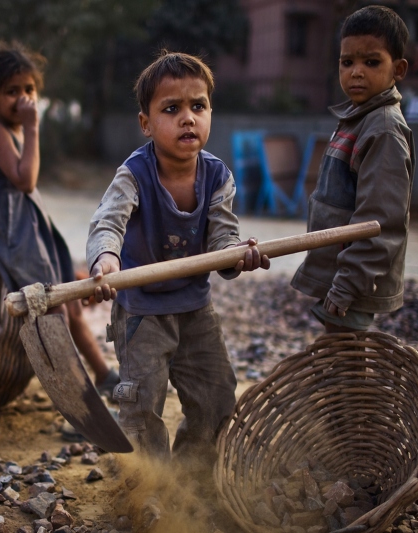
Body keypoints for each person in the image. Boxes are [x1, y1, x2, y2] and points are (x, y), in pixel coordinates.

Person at [86, 51, 269, 470]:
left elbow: (223, 236)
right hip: (142, 313)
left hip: (194, 308)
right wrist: (106, 259)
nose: (188, 118)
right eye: (172, 109)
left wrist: (237, 254)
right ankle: (148, 484)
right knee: (141, 402)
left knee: (217, 394)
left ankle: (192, 476)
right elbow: (107, 222)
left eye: (198, 106)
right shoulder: (133, 174)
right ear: (146, 124)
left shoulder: (217, 175)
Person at [0, 45, 120, 398]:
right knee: (52, 313)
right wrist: (33, 128)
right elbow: (25, 180)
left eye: (29, 90)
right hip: (16, 236)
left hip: (33, 228)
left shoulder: (14, 129)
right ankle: (76, 396)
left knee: (71, 305)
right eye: (12, 91)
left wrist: (29, 129)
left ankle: (103, 374)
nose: (23, 99)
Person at [290, 5, 414, 333]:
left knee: (346, 361)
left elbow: (380, 222)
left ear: (398, 68)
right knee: (338, 359)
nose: (356, 72)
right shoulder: (357, 119)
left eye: (371, 62)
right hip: (341, 274)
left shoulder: (383, 129)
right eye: (347, 62)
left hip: (355, 281)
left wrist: (348, 284)